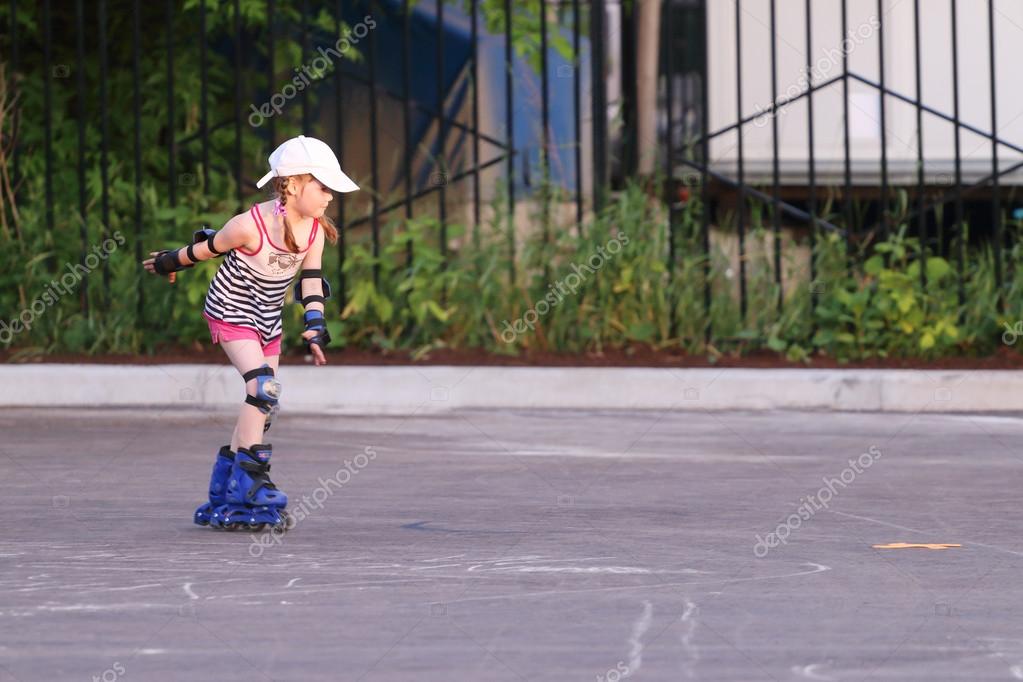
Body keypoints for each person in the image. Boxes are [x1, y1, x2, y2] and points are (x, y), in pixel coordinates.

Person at [142, 135, 359, 530]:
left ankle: (225, 489)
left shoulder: (312, 230)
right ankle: (254, 483)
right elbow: (204, 250)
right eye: (323, 187)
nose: (330, 197)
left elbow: (310, 278)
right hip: (230, 311)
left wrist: (315, 325)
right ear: (293, 184)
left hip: (267, 319)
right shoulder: (249, 225)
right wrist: (167, 262)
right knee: (263, 388)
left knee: (263, 403)